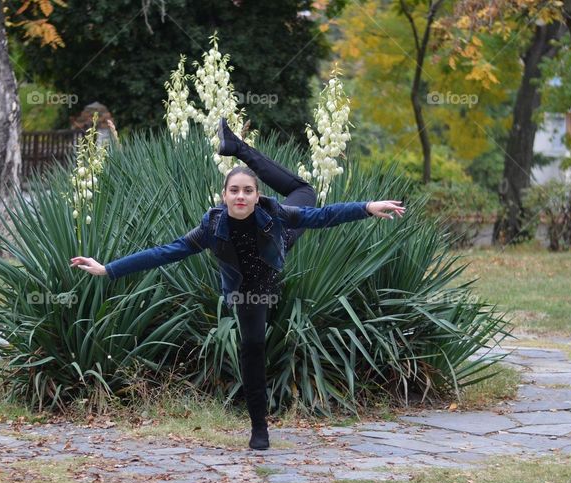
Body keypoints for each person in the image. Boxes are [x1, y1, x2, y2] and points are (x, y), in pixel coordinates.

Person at [70, 118, 405, 450]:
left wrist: (366, 207)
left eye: (248, 191)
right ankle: (259, 428)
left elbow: (322, 216)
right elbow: (165, 252)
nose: (241, 196)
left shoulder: (274, 210)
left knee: (305, 194)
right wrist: (108, 269)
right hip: (249, 290)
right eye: (234, 191)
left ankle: (238, 148)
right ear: (224, 196)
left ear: (257, 197)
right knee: (253, 348)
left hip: (279, 240)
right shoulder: (211, 227)